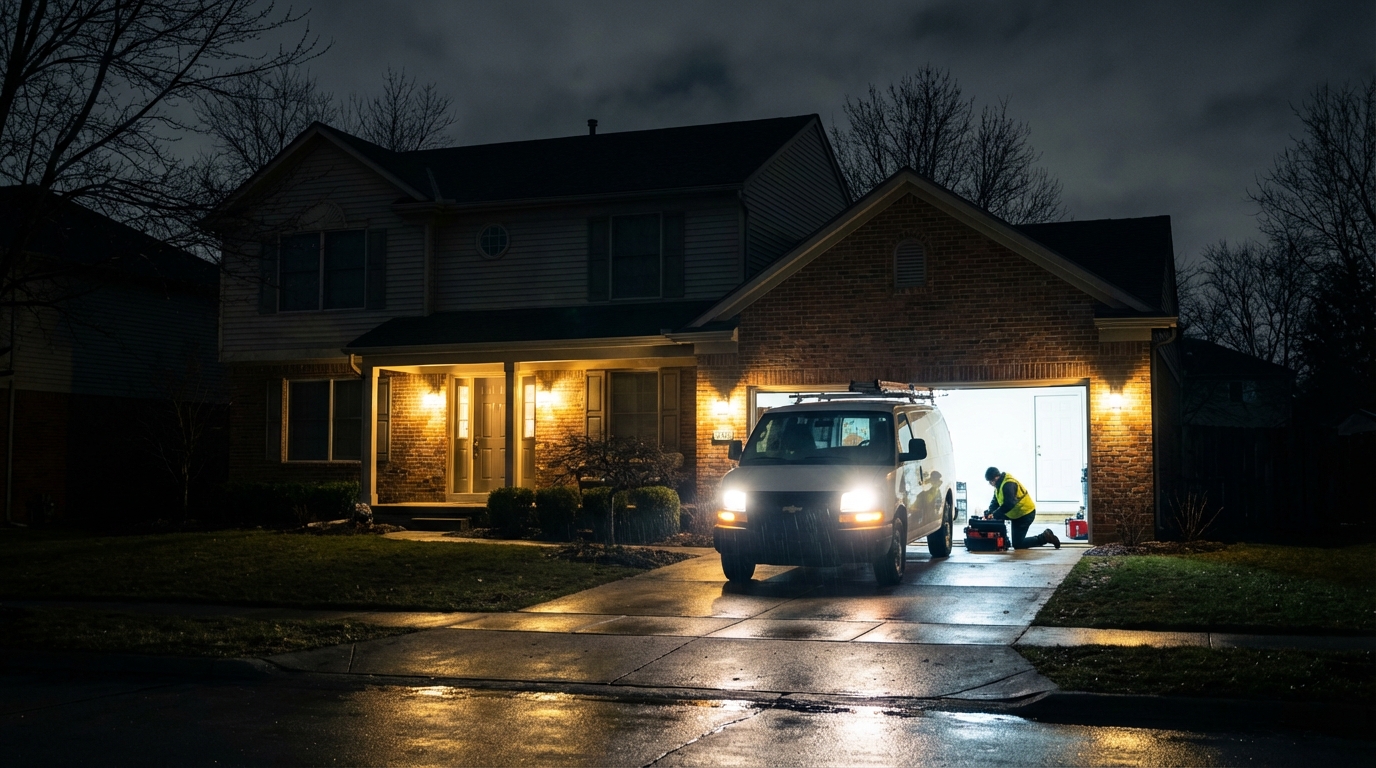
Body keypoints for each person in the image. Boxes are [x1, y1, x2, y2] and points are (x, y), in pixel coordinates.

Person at [983, 466, 1060, 549]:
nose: (990, 484)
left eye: (990, 482)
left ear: (995, 478)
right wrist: (990, 512)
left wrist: (994, 515)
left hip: (1025, 514)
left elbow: (1009, 504)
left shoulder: (1008, 484)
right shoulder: (999, 486)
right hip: (1016, 514)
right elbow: (995, 502)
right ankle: (1003, 540)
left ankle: (1045, 537)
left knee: (1018, 544)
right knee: (998, 517)